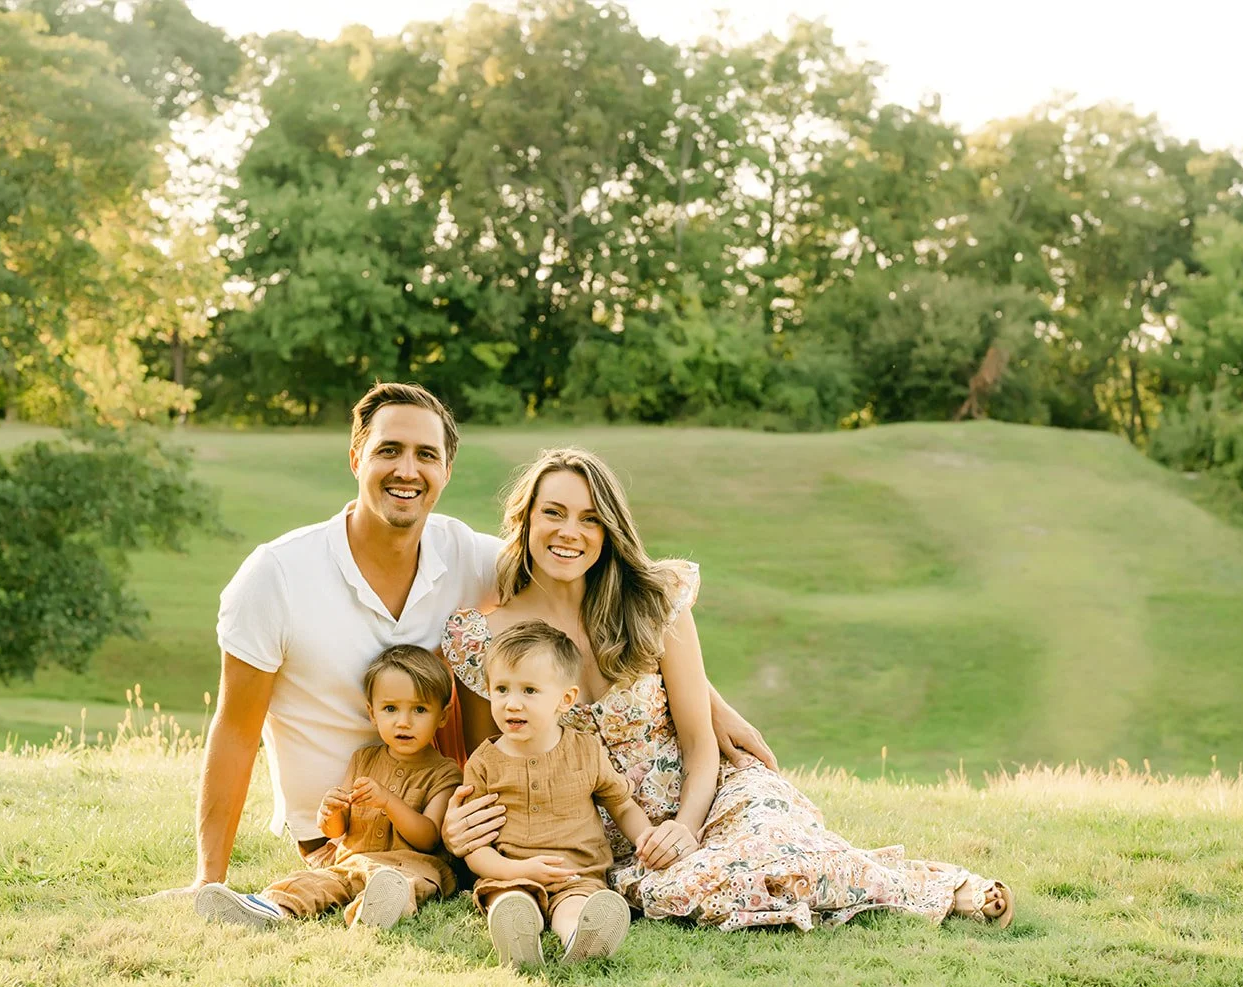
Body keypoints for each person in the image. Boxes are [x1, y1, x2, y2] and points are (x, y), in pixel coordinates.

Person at [143, 382, 773, 901]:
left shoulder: (469, 556)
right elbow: (233, 729)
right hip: (345, 823)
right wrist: (209, 879)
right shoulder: (276, 576)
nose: (407, 470)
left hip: (445, 809)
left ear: (446, 470)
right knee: (383, 873)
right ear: (356, 458)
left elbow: (580, 581)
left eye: (426, 455)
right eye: (390, 450)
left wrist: (706, 701)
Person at [441, 447, 1015, 932]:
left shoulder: (652, 606)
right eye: (554, 513)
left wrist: (688, 826)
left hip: (708, 799)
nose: (570, 532)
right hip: (610, 836)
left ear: (609, 531)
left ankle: (950, 890)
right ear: (526, 519)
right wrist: (472, 836)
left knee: (782, 844)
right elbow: (494, 761)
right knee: (697, 885)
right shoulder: (485, 640)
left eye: (590, 518)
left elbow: (698, 741)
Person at [193, 645, 463, 929]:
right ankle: (269, 908)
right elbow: (337, 831)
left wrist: (388, 801)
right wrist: (330, 812)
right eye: (390, 709)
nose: (403, 722)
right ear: (372, 714)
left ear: (442, 716)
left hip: (411, 868)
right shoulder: (363, 760)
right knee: (314, 882)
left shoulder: (445, 773)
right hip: (352, 862)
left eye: (419, 709)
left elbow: (429, 838)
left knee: (406, 885)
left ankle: (373, 911)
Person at [462, 621, 671, 966]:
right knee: (511, 901)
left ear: (566, 699)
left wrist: (646, 839)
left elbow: (621, 804)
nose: (512, 703)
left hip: (577, 873)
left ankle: (579, 937)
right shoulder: (484, 763)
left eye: (529, 691)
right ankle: (518, 937)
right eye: (501, 689)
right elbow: (475, 849)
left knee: (576, 906)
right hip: (510, 872)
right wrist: (517, 870)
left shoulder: (585, 751)